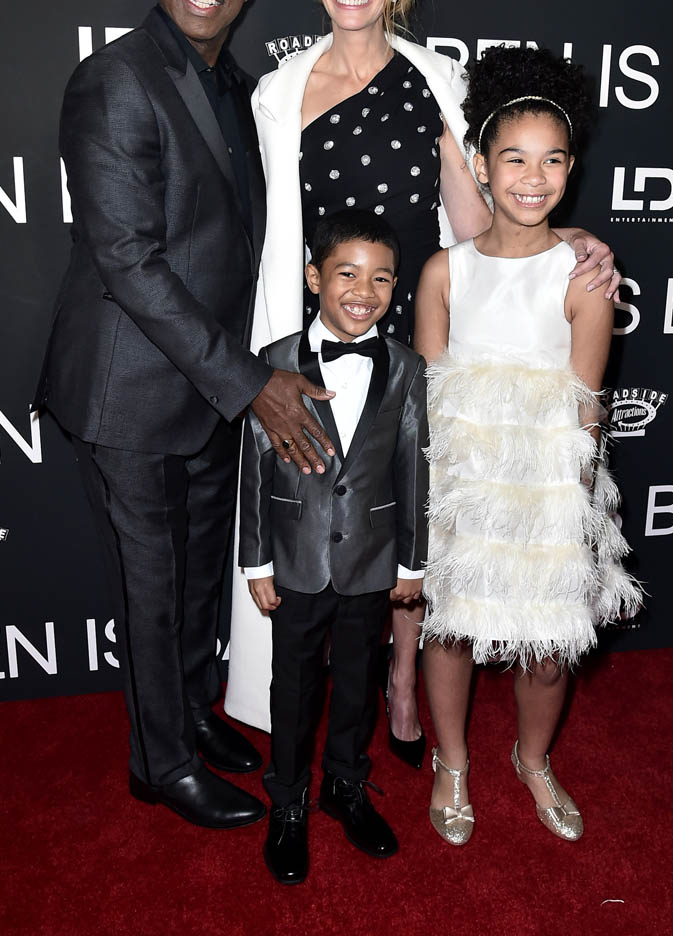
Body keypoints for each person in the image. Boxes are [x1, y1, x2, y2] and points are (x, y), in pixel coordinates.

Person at [226, 0, 621, 762]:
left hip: (422, 322)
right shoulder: (277, 92)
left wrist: (570, 241)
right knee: (325, 504)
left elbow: (484, 218)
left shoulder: (437, 80)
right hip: (321, 326)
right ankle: (315, 687)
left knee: (413, 505)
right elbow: (275, 231)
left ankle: (402, 676)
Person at [34, 0, 338, 830]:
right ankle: (157, 764)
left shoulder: (237, 89)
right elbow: (127, 259)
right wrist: (250, 384)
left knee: (200, 576)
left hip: (209, 391)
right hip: (129, 392)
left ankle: (193, 714)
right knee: (153, 593)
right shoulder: (115, 79)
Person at [414, 45, 642, 846]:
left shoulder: (584, 280)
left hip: (549, 485)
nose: (532, 176)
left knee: (548, 647)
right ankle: (451, 761)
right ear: (481, 167)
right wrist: (433, 507)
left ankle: (532, 759)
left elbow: (585, 404)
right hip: (461, 482)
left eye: (551, 159)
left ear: (570, 170)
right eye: (513, 158)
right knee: (449, 628)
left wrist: (571, 513)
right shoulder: (443, 272)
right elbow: (429, 403)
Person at [239, 210, 429, 884]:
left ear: (396, 286)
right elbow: (255, 466)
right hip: (294, 557)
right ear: (314, 277)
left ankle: (346, 785)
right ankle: (287, 802)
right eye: (347, 273)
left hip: (371, 561)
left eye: (381, 278)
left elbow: (412, 467)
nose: (363, 291)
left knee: (355, 683)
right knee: (292, 687)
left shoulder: (406, 367)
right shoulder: (271, 362)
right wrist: (256, 560)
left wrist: (412, 562)